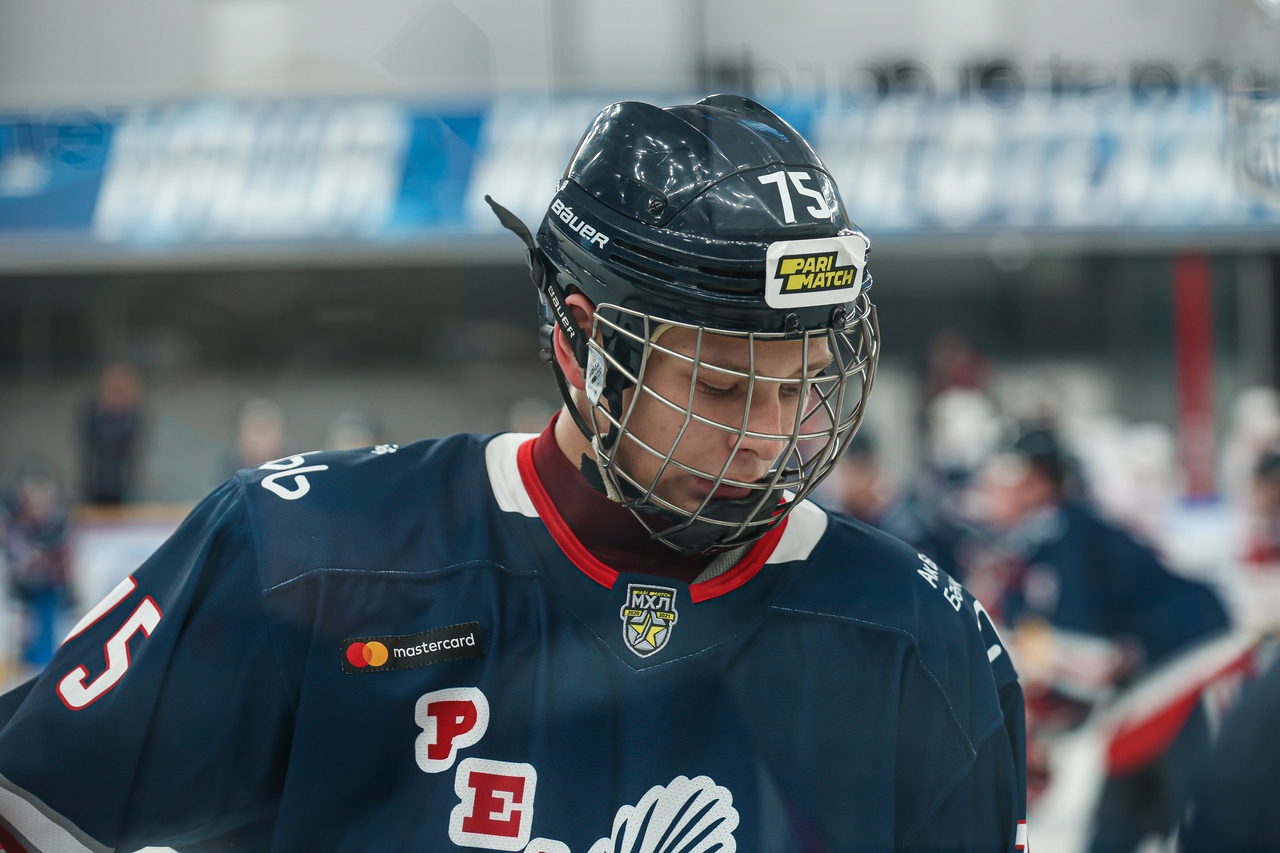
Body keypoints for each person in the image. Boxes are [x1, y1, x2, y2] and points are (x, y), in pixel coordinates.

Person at [0, 96, 1026, 852]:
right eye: (722, 387)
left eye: (802, 384)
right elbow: (28, 807)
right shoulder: (302, 555)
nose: (771, 438)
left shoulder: (919, 641)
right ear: (585, 345)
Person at [974, 424, 1228, 853]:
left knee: (1196, 816)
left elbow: (1089, 657)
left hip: (1181, 669)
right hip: (1141, 686)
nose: (991, 490)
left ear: (1037, 482)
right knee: (1119, 824)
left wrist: (1036, 719)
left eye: (1005, 477)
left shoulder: (1065, 535)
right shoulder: (1036, 540)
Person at [0, 462, 74, 672]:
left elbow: (62, 560)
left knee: (47, 638)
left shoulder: (56, 524)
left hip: (49, 590)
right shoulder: (15, 524)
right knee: (23, 633)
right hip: (24, 590)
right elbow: (17, 558)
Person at [80, 362, 144, 505]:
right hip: (96, 483)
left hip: (124, 483)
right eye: (116, 391)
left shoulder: (133, 418)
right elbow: (89, 452)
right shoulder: (93, 415)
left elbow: (133, 453)